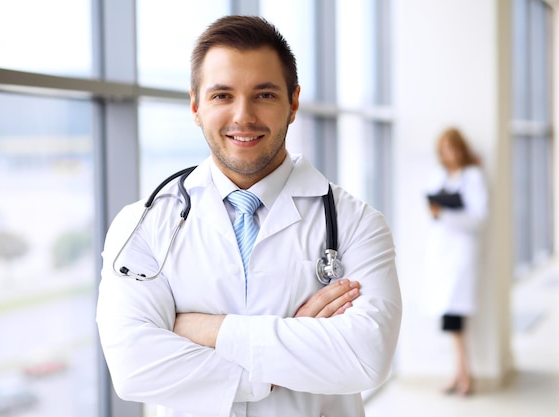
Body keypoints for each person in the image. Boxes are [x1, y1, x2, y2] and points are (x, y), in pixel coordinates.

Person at [96, 15, 401, 417]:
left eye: (264, 95)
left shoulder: (356, 224)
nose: (243, 116)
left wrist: (206, 329)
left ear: (293, 102)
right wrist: (286, 357)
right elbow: (134, 367)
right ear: (195, 105)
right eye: (222, 95)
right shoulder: (144, 224)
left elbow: (366, 356)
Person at [422, 127, 488, 396]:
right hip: (442, 253)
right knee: (451, 319)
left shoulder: (473, 176)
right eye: (444, 150)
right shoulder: (439, 176)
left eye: (453, 148)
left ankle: (463, 377)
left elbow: (479, 218)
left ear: (461, 149)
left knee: (455, 317)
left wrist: (445, 215)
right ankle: (460, 375)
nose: (449, 155)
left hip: (462, 254)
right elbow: (430, 207)